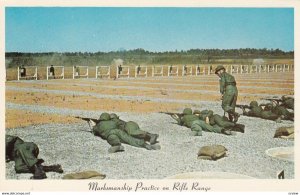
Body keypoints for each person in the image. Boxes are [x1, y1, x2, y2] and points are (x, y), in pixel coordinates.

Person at [90, 113, 160, 153]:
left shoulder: (99, 125)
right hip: (119, 131)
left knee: (112, 137)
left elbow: (94, 131)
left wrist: (93, 126)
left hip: (112, 134)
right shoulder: (114, 122)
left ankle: (117, 145)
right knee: (130, 139)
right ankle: (146, 145)